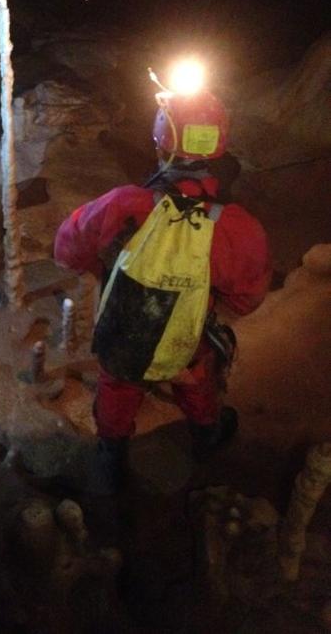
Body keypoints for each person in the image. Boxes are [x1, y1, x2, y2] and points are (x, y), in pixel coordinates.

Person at [54, 85, 272, 489]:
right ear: (219, 147)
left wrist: (100, 268)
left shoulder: (123, 204)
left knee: (118, 382)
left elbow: (67, 246)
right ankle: (206, 435)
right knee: (197, 373)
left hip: (125, 331)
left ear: (161, 141)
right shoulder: (237, 228)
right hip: (186, 341)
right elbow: (247, 299)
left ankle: (112, 454)